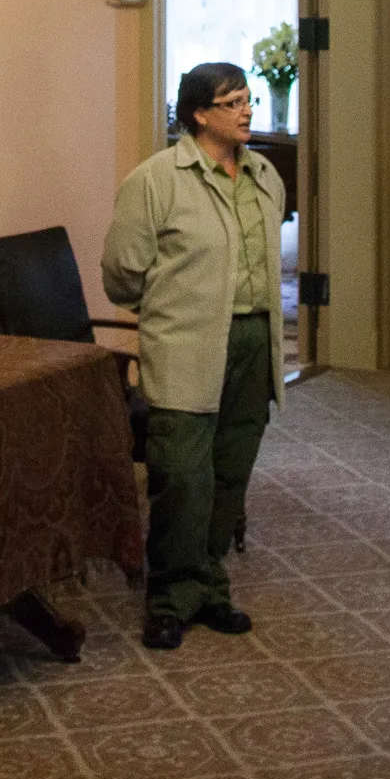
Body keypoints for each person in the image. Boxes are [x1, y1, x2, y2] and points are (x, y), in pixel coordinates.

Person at [102, 62, 287, 650]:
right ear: (200, 114)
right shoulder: (156, 181)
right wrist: (175, 306)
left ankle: (208, 587)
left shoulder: (264, 175)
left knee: (230, 472)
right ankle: (169, 596)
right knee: (182, 475)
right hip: (187, 343)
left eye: (248, 99)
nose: (246, 110)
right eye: (232, 102)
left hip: (254, 340)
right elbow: (122, 277)